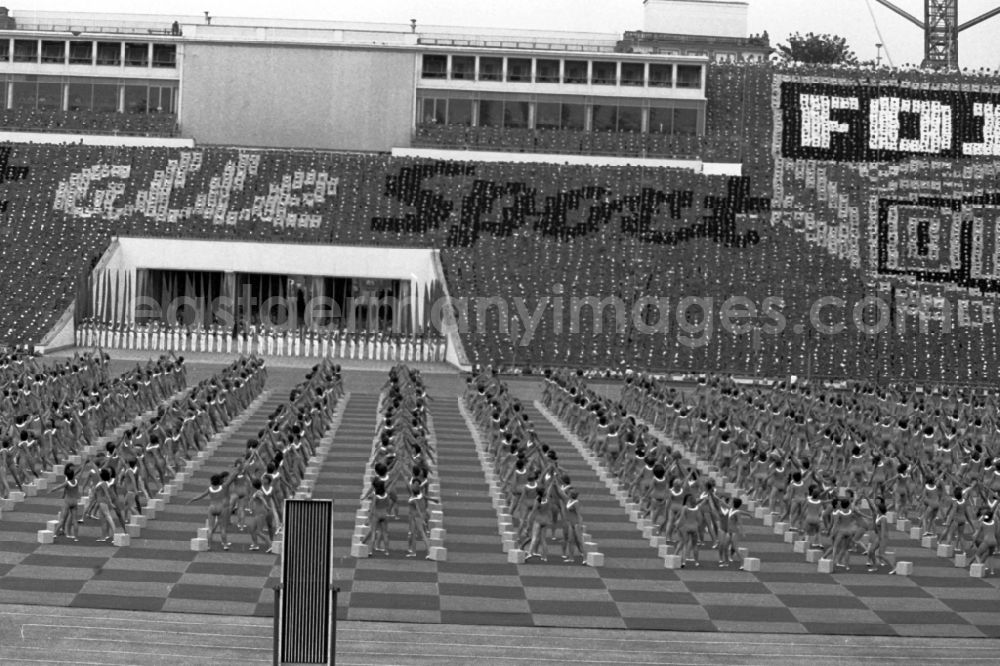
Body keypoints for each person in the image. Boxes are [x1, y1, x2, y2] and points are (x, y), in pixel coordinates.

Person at [187, 472, 236, 550]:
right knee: (223, 529)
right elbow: (231, 478)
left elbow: (201, 496)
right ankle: (225, 545)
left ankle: (209, 546)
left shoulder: (210, 488)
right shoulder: (223, 487)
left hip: (212, 508)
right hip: (221, 508)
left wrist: (193, 499)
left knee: (210, 528)